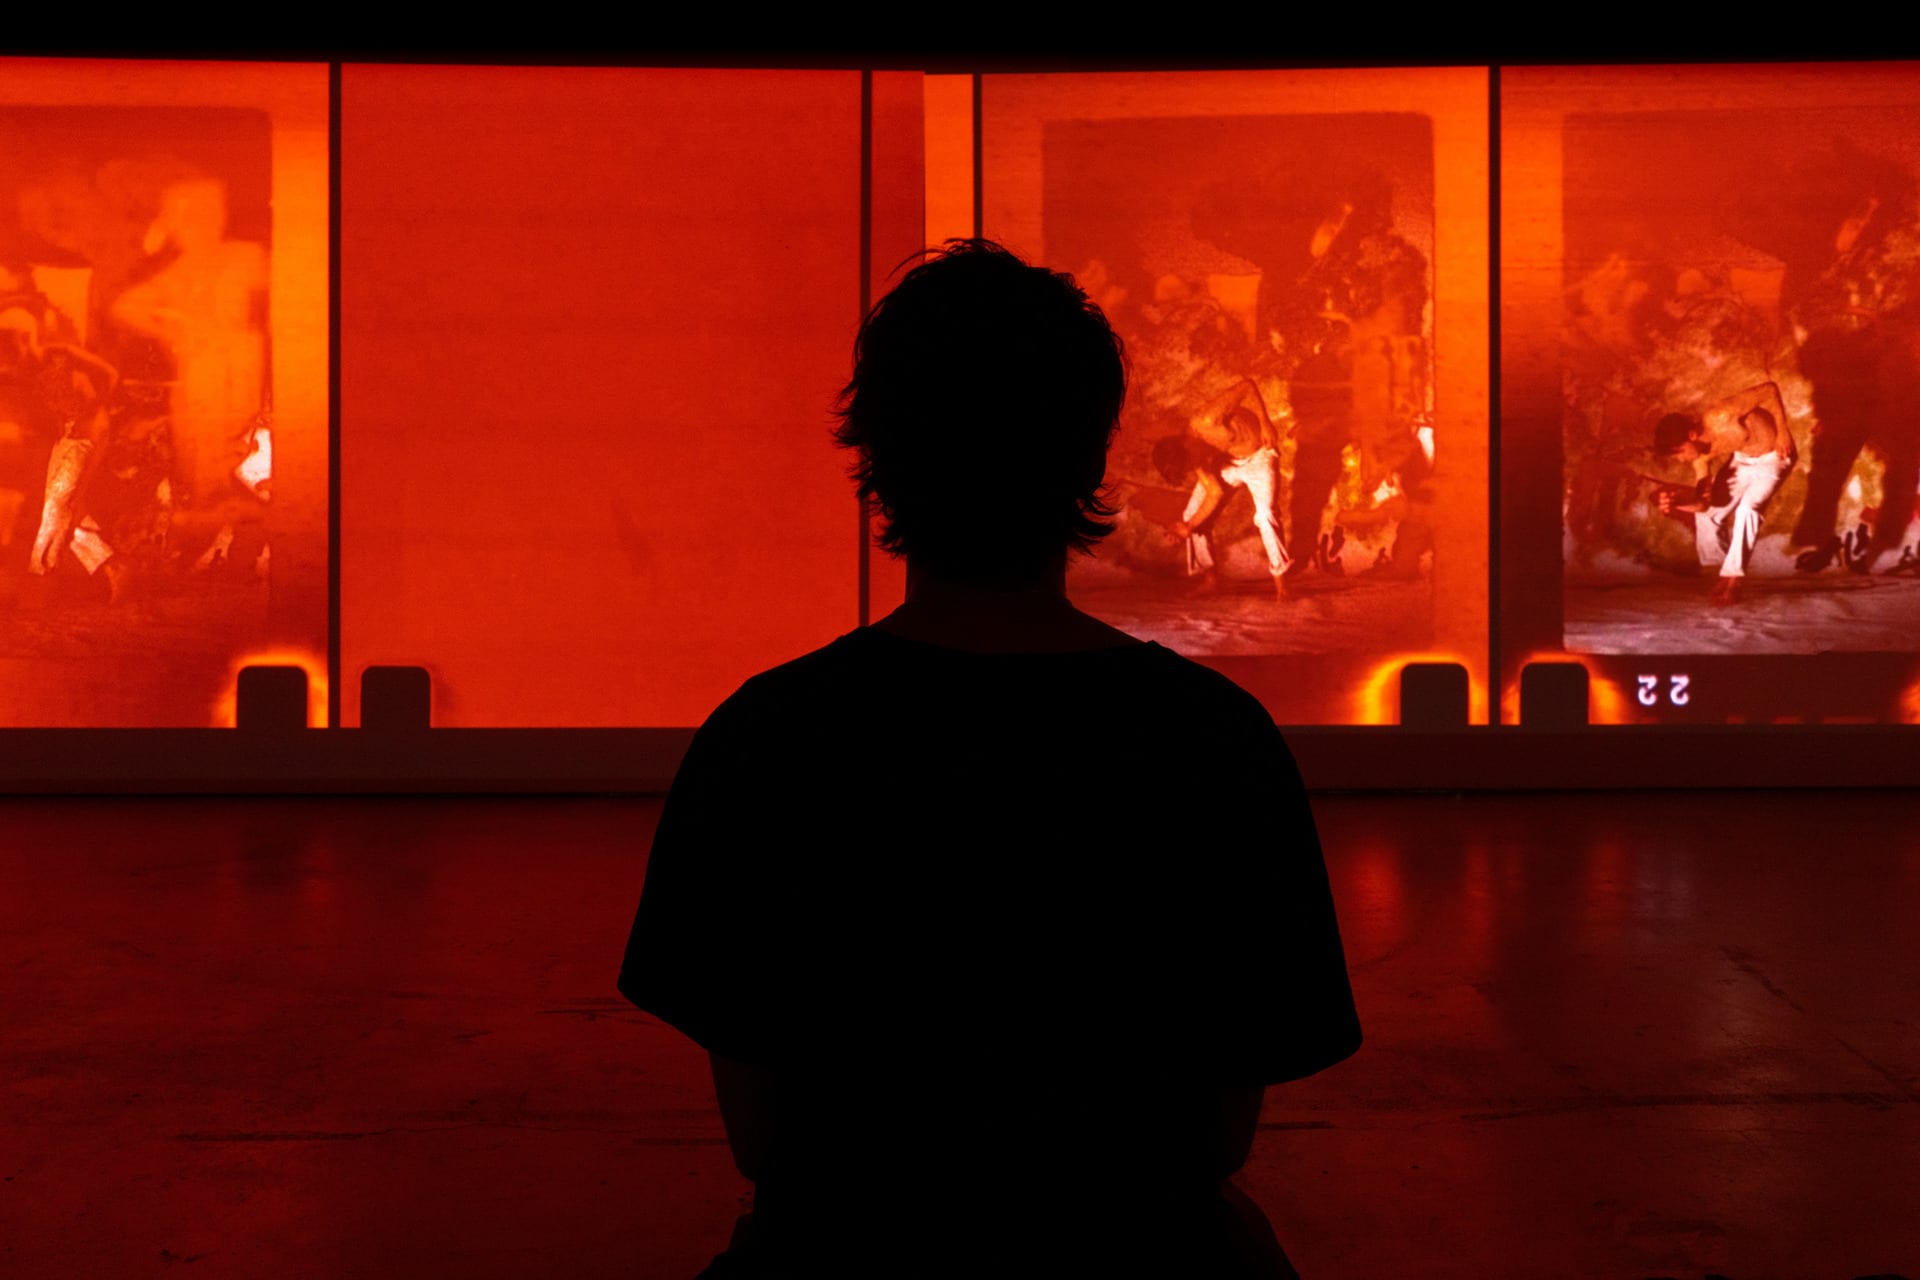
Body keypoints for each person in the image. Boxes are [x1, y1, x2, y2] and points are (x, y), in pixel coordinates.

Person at [617, 240, 1361, 1279]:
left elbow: (763, 1137)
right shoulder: (1212, 742)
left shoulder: (770, 738)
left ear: (877, 450)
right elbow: (1217, 1131)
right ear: (1090, 455)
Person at [1652, 381, 1797, 605]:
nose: (1680, 460)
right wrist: (1677, 504)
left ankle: (1733, 581)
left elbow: (1769, 389)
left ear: (1691, 435)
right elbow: (1704, 505)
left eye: (1679, 453)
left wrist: (1783, 431)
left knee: (1747, 509)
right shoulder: (1700, 459)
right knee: (1709, 516)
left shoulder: (1721, 415)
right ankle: (1728, 570)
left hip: (1774, 456)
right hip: (1742, 461)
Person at [1163, 379, 1292, 599]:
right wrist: (1188, 526)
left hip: (1260, 456)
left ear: (1185, 445)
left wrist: (1265, 422)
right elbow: (1215, 493)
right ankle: (1211, 580)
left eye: (1190, 463)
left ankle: (1282, 586)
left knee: (1266, 515)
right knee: (1191, 515)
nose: (1194, 467)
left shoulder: (1206, 419)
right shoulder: (1193, 459)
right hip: (1227, 463)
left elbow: (1247, 385)